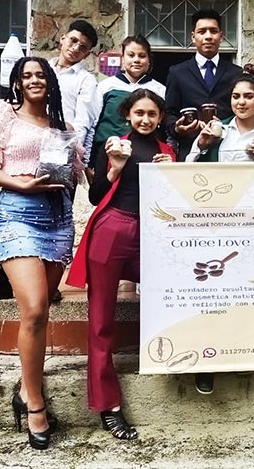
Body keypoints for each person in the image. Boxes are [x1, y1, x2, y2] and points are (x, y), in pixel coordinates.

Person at [0, 56, 78, 449]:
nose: (34, 80)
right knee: (32, 309)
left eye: (41, 75)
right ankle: (34, 402)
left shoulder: (63, 126)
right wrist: (19, 184)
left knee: (44, 305)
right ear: (17, 83)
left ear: (50, 82)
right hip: (18, 216)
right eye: (26, 75)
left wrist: (112, 163)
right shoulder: (4, 115)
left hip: (59, 219)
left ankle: (28, 384)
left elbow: (77, 175)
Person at [0, 19, 98, 306]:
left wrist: (74, 154)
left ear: (87, 54)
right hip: (22, 162)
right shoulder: (35, 71)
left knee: (53, 225)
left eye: (83, 47)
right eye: (73, 41)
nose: (75, 48)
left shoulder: (85, 80)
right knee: (18, 227)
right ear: (62, 39)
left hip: (60, 159)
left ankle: (46, 287)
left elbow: (85, 122)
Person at [67, 89, 175, 440]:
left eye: (152, 114)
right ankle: (108, 406)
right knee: (100, 322)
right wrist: (114, 169)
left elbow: (177, 203)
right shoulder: (113, 145)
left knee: (174, 297)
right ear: (128, 115)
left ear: (160, 118)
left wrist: (172, 176)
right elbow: (96, 195)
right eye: (139, 113)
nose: (145, 119)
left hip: (151, 236)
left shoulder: (168, 152)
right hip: (112, 229)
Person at [186, 64, 254, 395]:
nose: (241, 102)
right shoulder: (218, 132)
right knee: (212, 295)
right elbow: (187, 172)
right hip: (215, 228)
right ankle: (206, 363)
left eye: (248, 96)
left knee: (247, 292)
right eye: (235, 96)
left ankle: (244, 351)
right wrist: (200, 146)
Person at [164, 8, 242, 161]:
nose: (208, 36)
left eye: (213, 31)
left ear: (221, 36)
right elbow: (168, 113)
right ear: (193, 37)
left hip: (227, 150)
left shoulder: (236, 73)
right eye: (202, 32)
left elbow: (241, 112)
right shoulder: (177, 72)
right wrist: (177, 128)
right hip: (190, 149)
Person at [88, 34, 166, 175]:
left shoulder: (159, 89)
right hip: (107, 154)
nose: (136, 60)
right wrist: (89, 161)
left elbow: (165, 126)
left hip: (146, 157)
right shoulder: (106, 86)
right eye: (131, 55)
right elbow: (93, 123)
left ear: (149, 60)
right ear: (123, 58)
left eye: (142, 56)